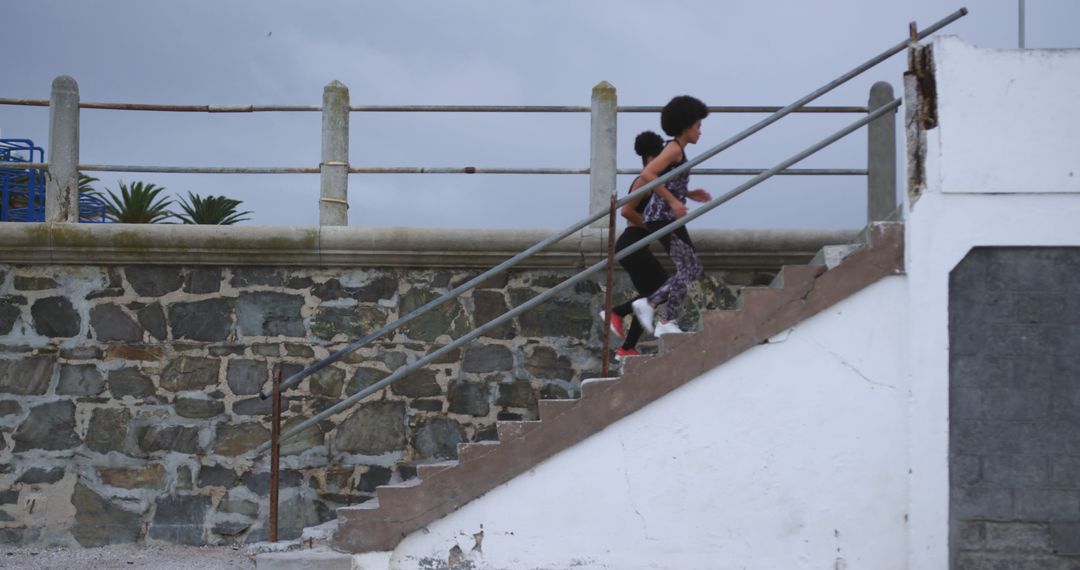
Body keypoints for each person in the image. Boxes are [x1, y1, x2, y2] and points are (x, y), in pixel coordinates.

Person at [631, 95, 712, 337]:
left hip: (665, 217)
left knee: (691, 267)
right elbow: (648, 173)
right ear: (686, 126)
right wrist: (674, 201)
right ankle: (660, 315)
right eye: (698, 126)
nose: (700, 131)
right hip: (662, 216)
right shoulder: (674, 148)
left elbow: (667, 178)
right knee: (688, 266)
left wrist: (688, 193)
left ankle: (658, 311)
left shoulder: (676, 149)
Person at [599, 131, 669, 360]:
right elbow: (626, 211)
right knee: (663, 289)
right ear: (650, 158)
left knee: (647, 300)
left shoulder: (651, 180)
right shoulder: (644, 181)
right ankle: (615, 313)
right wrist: (652, 227)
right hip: (632, 242)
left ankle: (627, 348)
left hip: (637, 244)